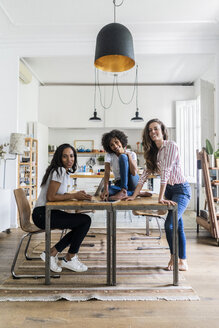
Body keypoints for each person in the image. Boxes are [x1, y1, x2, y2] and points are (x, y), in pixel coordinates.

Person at [125, 119, 191, 271]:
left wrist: (160, 197)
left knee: (170, 224)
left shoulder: (171, 146)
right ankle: (183, 260)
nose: (153, 132)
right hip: (168, 190)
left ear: (162, 130)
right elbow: (144, 175)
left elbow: (166, 172)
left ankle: (174, 257)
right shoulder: (152, 151)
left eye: (155, 129)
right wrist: (134, 195)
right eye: (150, 130)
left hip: (181, 190)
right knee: (178, 225)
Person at [32, 143, 92, 273]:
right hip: (43, 215)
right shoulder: (59, 170)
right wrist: (74, 195)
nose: (69, 159)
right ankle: (66, 257)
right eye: (65, 157)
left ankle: (56, 254)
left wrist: (76, 195)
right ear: (59, 158)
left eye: (71, 156)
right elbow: (51, 197)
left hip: (46, 212)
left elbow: (61, 195)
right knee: (85, 221)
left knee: (82, 222)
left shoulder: (63, 172)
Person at [100, 129, 139, 201]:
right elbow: (107, 172)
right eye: (112, 145)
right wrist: (106, 189)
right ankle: (135, 193)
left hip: (132, 181)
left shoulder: (132, 154)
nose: (115, 146)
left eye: (116, 142)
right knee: (104, 190)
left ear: (121, 141)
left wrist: (128, 156)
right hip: (119, 183)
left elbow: (134, 173)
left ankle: (124, 191)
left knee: (123, 157)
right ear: (109, 147)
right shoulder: (109, 155)